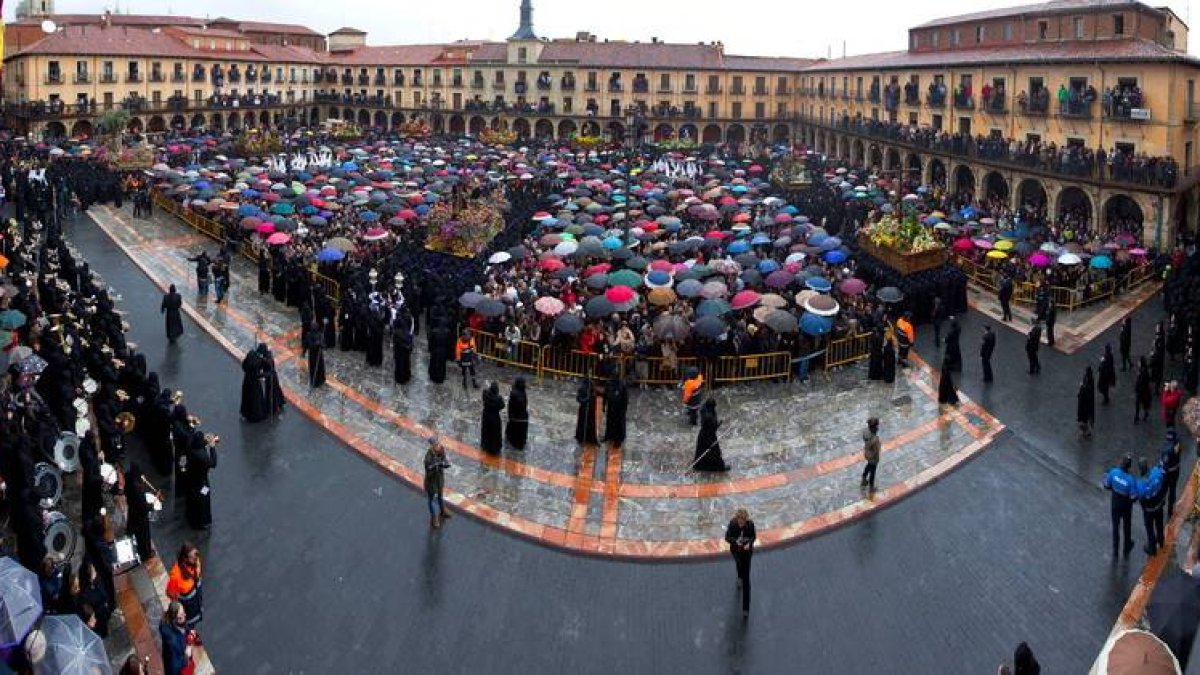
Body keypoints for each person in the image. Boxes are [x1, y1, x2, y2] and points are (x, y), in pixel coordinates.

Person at [181, 429, 216, 530]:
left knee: (191, 498)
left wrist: (182, 467)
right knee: (204, 499)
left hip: (190, 479)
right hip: (202, 483)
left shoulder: (189, 446)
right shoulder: (202, 456)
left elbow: (183, 457)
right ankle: (203, 521)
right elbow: (213, 463)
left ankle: (191, 517)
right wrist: (212, 447)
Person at [724, 509, 756, 619]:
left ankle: (746, 609)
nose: (740, 523)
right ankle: (739, 577)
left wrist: (749, 543)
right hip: (736, 551)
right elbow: (727, 537)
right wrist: (735, 541)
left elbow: (753, 537)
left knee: (747, 579)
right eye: (739, 521)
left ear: (746, 520)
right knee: (739, 566)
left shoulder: (750, 525)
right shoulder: (732, 524)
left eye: (742, 521)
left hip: (747, 553)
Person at [1103, 455, 1138, 557]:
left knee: (1115, 527)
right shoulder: (1131, 479)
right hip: (1126, 506)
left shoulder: (1113, 473)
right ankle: (1127, 546)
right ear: (1129, 467)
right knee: (1127, 526)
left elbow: (1107, 485)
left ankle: (1115, 550)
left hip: (1115, 504)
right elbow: (1134, 497)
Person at [165, 542, 203, 628]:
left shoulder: (196, 561)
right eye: (192, 557)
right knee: (189, 626)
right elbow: (169, 592)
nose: (196, 559)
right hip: (188, 609)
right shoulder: (176, 575)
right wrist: (179, 607)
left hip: (197, 602)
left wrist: (197, 569)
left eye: (196, 555)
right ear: (185, 558)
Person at [124, 462, 155, 561]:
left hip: (132, 508)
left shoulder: (128, 477)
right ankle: (146, 553)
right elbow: (143, 507)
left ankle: (130, 531)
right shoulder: (137, 490)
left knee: (134, 525)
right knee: (143, 535)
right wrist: (151, 505)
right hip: (140, 516)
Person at [1137, 457, 1167, 556]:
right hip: (1159, 506)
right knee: (1159, 524)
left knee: (1149, 529)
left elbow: (1141, 499)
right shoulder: (1156, 472)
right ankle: (1161, 541)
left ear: (1141, 469)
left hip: (1149, 511)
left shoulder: (1140, 484)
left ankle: (1152, 549)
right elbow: (1164, 481)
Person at [694, 398, 731, 472]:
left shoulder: (704, 409)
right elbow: (712, 428)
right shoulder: (709, 417)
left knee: (701, 452)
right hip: (709, 437)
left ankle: (699, 466)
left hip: (702, 435)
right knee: (716, 453)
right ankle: (720, 467)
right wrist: (718, 424)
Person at [423, 436, 452, 529]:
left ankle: (442, 510)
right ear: (432, 446)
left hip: (439, 478)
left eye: (438, 444)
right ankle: (434, 517)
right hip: (432, 481)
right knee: (431, 499)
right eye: (436, 445)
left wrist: (444, 464)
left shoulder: (441, 449)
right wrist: (435, 466)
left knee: (440, 495)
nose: (438, 446)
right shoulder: (428, 458)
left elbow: (444, 460)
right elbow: (428, 472)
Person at [159, 601, 192, 675]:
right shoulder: (172, 642)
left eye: (184, 612)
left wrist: (188, 631)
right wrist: (186, 656)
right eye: (181, 615)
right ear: (175, 619)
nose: (185, 615)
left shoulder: (173, 622)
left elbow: (183, 626)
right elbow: (174, 666)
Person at [239, 345, 267, 422]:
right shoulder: (258, 361)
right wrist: (266, 374)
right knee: (256, 400)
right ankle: (255, 416)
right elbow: (257, 375)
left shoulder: (250, 354)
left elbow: (243, 365)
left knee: (247, 398)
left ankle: (246, 413)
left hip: (247, 380)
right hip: (254, 383)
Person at [480, 382, 505, 455]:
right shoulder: (498, 398)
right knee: (495, 433)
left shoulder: (485, 393)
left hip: (486, 415)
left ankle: (485, 445)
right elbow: (502, 406)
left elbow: (484, 396)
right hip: (495, 417)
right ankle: (494, 448)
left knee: (486, 430)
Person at [1162, 429, 1183, 518]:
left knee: (1164, 490)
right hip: (1176, 470)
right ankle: (1170, 511)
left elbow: (1165, 463)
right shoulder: (1178, 443)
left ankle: (1161, 506)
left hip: (1168, 472)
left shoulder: (1167, 450)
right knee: (1172, 490)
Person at [604, 377, 629, 447]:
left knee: (619, 424)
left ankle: (618, 439)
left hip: (619, 407)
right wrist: (604, 404)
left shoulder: (622, 385)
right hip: (611, 406)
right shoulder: (609, 383)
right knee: (610, 422)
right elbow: (605, 394)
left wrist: (624, 408)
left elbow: (625, 398)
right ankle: (609, 436)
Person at [505, 377, 529, 450]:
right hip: (520, 417)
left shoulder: (514, 393)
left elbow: (511, 406)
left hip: (515, 417)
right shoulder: (522, 392)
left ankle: (514, 442)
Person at [392, 308, 413, 385]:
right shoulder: (408, 332)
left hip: (399, 349)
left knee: (400, 363)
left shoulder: (397, 332)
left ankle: (400, 378)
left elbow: (395, 341)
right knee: (406, 362)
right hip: (405, 349)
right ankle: (406, 376)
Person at [575, 377, 598, 444]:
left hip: (590, 410)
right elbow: (578, 398)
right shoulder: (582, 388)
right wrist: (586, 400)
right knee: (583, 424)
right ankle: (581, 438)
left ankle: (590, 438)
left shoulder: (592, 388)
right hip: (584, 410)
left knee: (591, 424)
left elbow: (595, 396)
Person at [861, 417, 881, 492]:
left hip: (867, 453)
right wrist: (877, 458)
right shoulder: (875, 439)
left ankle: (863, 478)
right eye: (877, 426)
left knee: (868, 465)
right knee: (873, 472)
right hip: (873, 457)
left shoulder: (865, 432)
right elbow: (876, 450)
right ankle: (871, 487)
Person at [304, 321, 325, 388]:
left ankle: (321, 380)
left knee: (320, 368)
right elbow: (308, 345)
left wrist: (321, 344)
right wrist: (317, 344)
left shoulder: (320, 334)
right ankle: (315, 382)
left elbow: (324, 344)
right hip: (313, 355)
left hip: (319, 355)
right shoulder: (309, 335)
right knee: (313, 368)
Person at [1077, 366, 1095, 438]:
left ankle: (1086, 432)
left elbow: (1089, 391)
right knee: (1083, 418)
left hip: (1086, 403)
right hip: (1082, 401)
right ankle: (1085, 431)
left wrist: (1083, 386)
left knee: (1085, 418)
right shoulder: (1086, 377)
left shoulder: (1090, 380)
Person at [1135, 356, 1153, 423]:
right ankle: (1141, 415)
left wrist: (1138, 388)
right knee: (1141, 403)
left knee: (1140, 403)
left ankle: (1139, 416)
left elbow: (1142, 382)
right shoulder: (1142, 370)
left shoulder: (1143, 372)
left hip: (1142, 391)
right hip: (1142, 390)